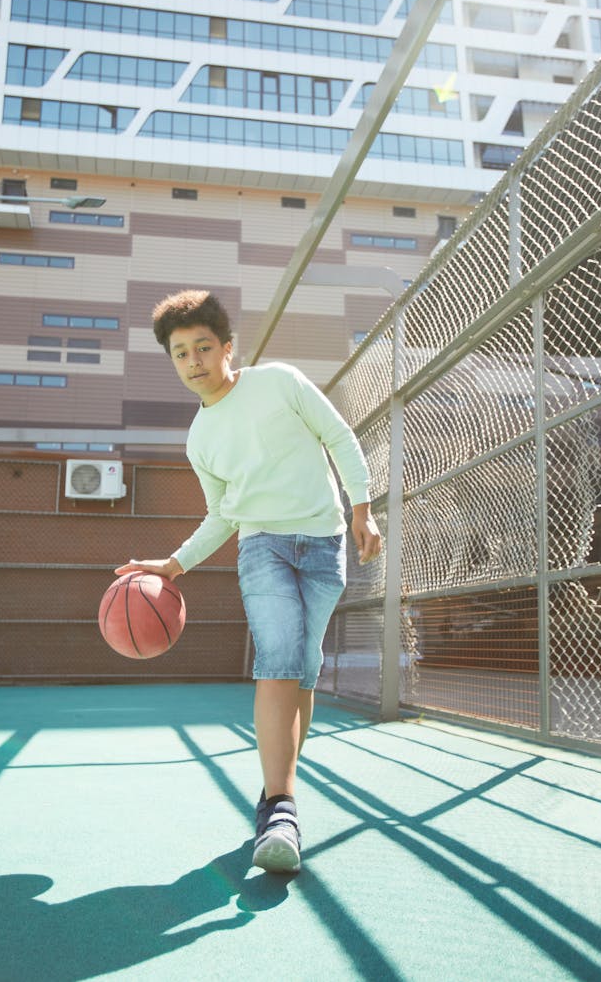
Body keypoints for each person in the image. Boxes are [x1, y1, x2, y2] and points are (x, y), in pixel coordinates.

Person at [116, 289, 381, 874]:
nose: (193, 361)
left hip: (326, 545)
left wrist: (362, 508)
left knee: (302, 670)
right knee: (280, 658)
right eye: (180, 353)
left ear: (227, 348)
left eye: (203, 348)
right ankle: (282, 811)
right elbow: (223, 516)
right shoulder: (199, 439)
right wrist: (174, 564)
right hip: (261, 547)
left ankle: (274, 791)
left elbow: (339, 436)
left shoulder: (280, 382)